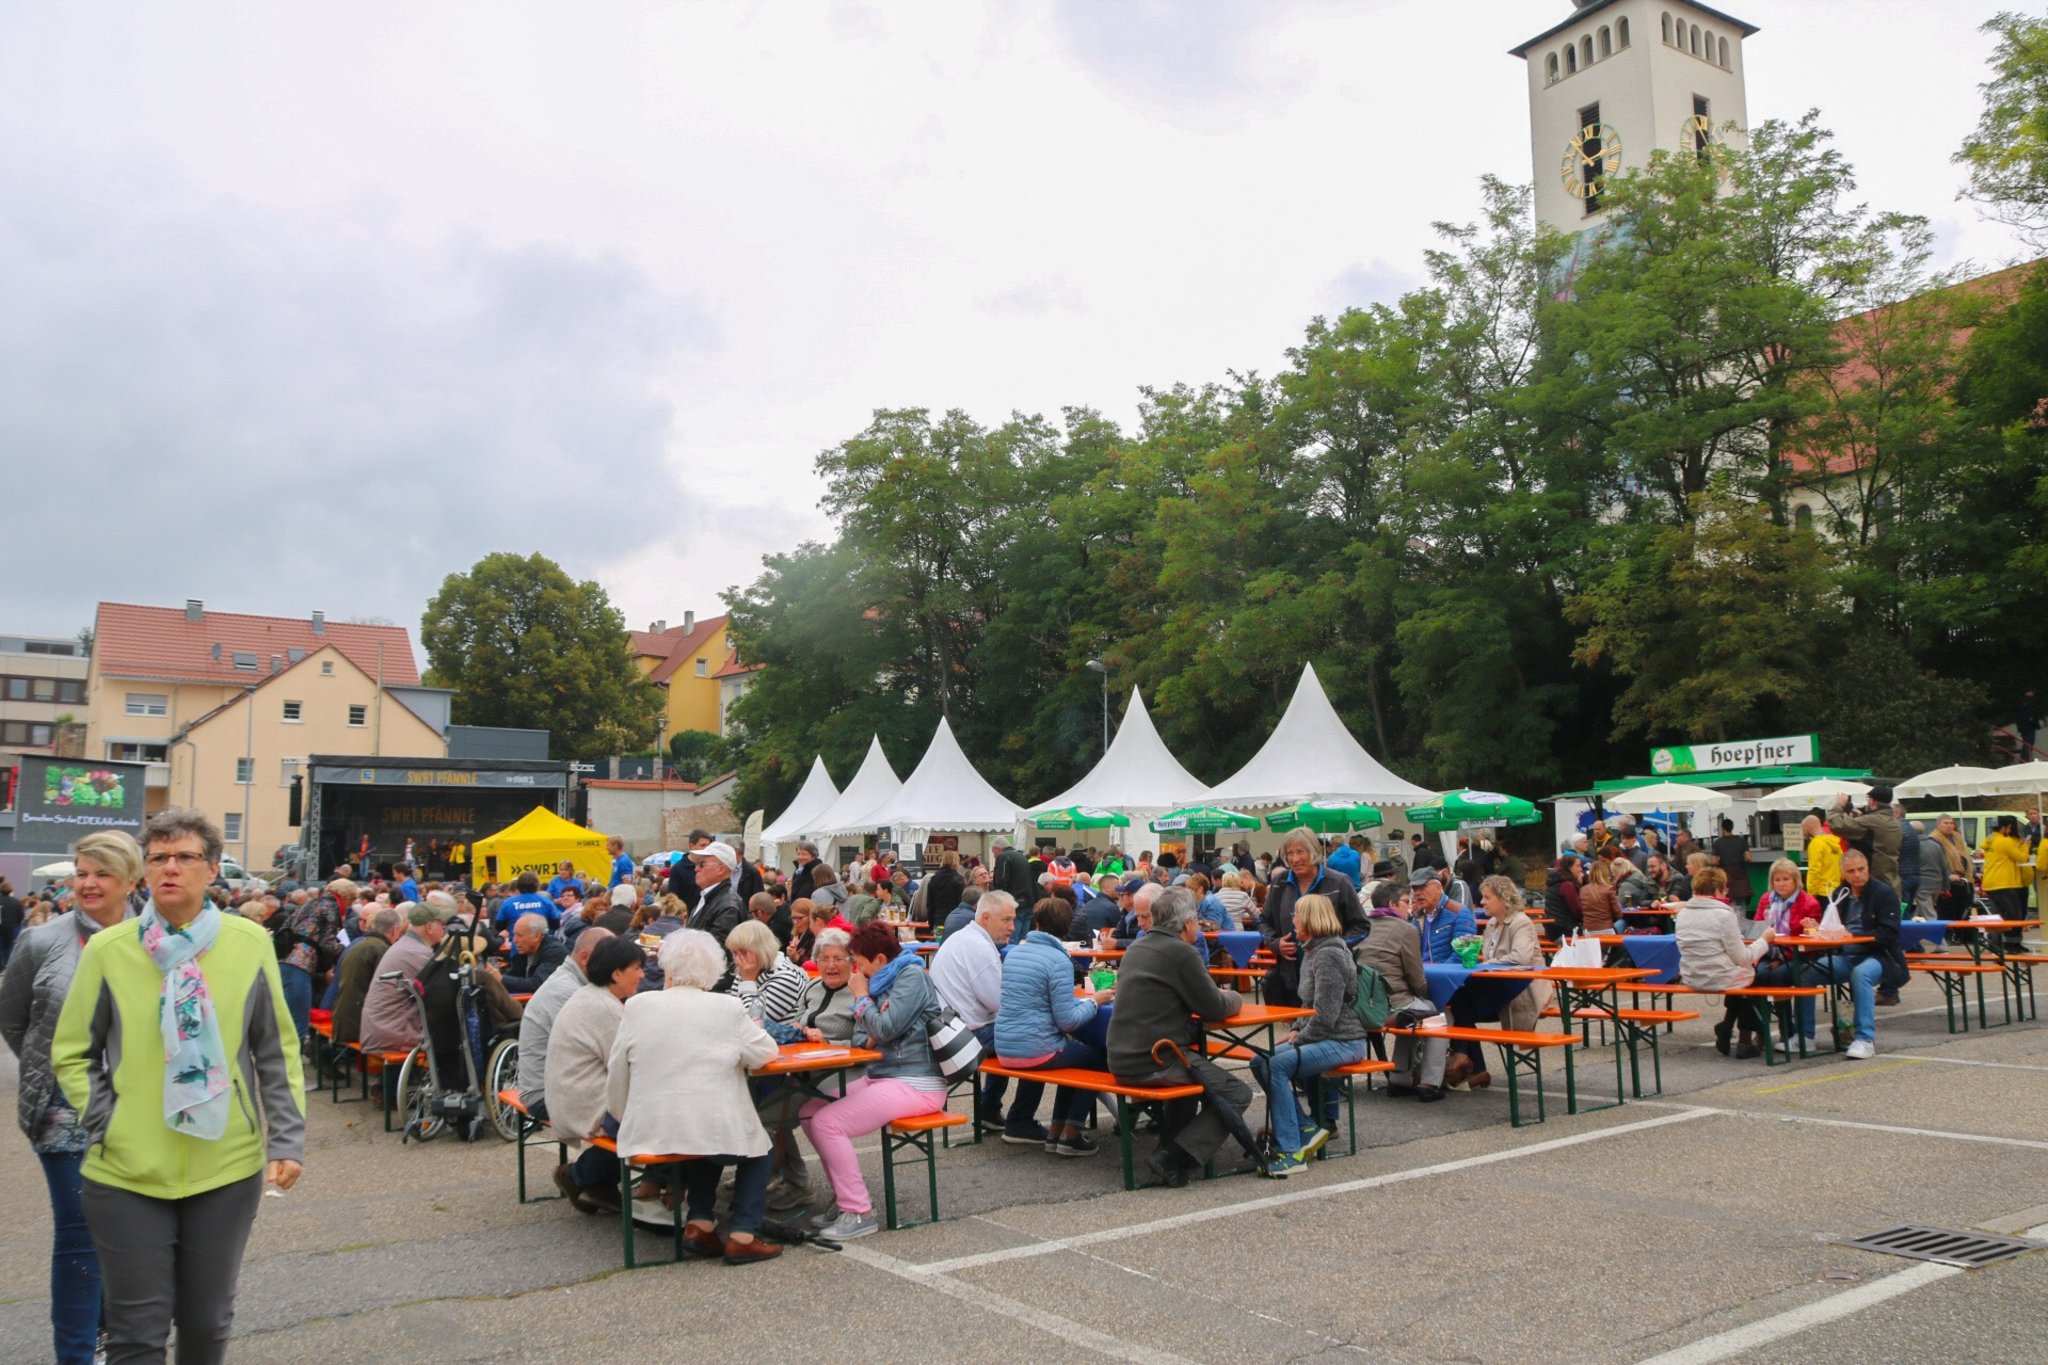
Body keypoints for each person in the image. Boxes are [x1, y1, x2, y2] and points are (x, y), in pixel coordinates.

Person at [51, 808, 304, 1365]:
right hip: (126, 1170)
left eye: (185, 857)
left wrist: (286, 1138)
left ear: (211, 869)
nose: (171, 868)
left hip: (225, 1164)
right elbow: (72, 1051)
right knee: (135, 1332)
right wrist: (105, 1120)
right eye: (159, 858)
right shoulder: (110, 950)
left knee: (207, 1325)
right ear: (144, 872)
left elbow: (274, 1047)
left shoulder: (248, 941)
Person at [0, 831, 143, 1364]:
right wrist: (55, 1067)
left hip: (138, 1108)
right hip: (61, 1109)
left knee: (128, 1229)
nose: (87, 883)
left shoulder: (157, 938)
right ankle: (77, 1354)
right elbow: (13, 1018)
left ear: (131, 880)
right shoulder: (44, 941)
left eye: (101, 873)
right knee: (81, 1232)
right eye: (82, 872)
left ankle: (112, 1331)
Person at [604, 929, 783, 1262]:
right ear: (714, 972)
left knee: (702, 1135)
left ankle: (700, 1222)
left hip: (649, 1126)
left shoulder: (638, 1005)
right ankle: (744, 1233)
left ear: (668, 969)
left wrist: (622, 1113)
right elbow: (764, 1053)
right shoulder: (726, 1007)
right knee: (758, 1148)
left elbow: (617, 1072)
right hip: (707, 1125)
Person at [799, 922, 950, 1241]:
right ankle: (845, 1199)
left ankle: (859, 1212)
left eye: (859, 963)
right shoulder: (881, 981)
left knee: (828, 1122)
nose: (856, 970)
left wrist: (862, 1000)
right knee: (810, 1110)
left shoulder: (912, 977)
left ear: (880, 960)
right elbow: (862, 1034)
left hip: (917, 1083)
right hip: (885, 1076)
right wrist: (872, 1018)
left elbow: (882, 1028)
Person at [1107, 887, 1251, 1189]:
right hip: (1157, 1059)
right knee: (1238, 1093)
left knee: (1190, 1081)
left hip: (1121, 1057)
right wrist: (1234, 996)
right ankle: (1172, 1156)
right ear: (1187, 924)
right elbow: (1214, 1008)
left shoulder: (1137, 948)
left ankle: (1169, 1153)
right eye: (1196, 920)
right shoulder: (1181, 952)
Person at [1250, 893, 1369, 1176]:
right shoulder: (1313, 950)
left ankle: (1293, 1152)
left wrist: (1299, 1038)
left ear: (1310, 919)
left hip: (1345, 1040)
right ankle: (1304, 1127)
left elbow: (1325, 1016)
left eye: (1296, 914)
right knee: (1259, 1061)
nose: (1292, 919)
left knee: (1275, 1064)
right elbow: (1307, 1006)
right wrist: (1294, 1029)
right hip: (1326, 1036)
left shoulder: (1329, 954)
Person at [994, 897, 1111, 1156]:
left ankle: (1057, 1131)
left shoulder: (1014, 953)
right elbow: (1067, 1020)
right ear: (1067, 927)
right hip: (1036, 1050)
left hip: (1005, 1045)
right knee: (1100, 1057)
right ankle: (1070, 1134)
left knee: (1076, 1056)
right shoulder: (1057, 960)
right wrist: (1094, 1002)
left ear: (1036, 922)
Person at [544, 935, 645, 1214]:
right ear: (616, 973)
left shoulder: (589, 996)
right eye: (636, 968)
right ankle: (581, 1176)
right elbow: (632, 1065)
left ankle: (593, 1179)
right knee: (663, 1118)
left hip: (571, 1097)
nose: (642, 974)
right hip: (586, 1105)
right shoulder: (606, 1008)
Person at [1445, 878, 1551, 1089]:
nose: (1481, 902)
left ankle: (1468, 1061)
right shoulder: (1492, 923)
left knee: (1461, 1004)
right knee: (1457, 1000)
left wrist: (1488, 964)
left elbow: (1520, 956)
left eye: (1487, 897)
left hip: (1522, 990)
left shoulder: (1521, 922)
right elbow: (1485, 956)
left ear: (1503, 898)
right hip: (1497, 986)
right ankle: (1470, 1063)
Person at [928, 891, 1015, 1133]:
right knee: (1034, 1040)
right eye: (1006, 920)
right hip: (963, 1037)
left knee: (1014, 1034)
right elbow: (1000, 1002)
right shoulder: (979, 948)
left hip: (951, 1029)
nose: (1012, 927)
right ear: (986, 918)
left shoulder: (964, 937)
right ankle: (1021, 1121)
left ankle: (990, 1108)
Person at [1354, 881, 1446, 1102]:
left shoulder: (1361, 926)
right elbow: (1417, 979)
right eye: (1406, 902)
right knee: (1438, 1016)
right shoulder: (1406, 929)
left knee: (1415, 1015)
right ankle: (1429, 1083)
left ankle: (1399, 1078)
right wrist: (1429, 995)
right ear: (1392, 904)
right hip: (1391, 1005)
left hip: (1361, 1007)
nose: (1410, 906)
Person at [1258, 831, 1366, 1007]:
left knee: (1325, 1024)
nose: (1295, 859)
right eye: (1290, 853)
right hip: (1290, 976)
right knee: (1297, 1028)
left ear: (1314, 852)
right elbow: (1263, 921)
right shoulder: (1279, 883)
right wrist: (1275, 943)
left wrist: (1333, 948)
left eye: (1300, 852)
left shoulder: (1338, 882)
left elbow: (1361, 926)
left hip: (1331, 977)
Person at [1675, 867, 1774, 1058]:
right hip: (1717, 978)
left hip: (1692, 976)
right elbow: (1743, 957)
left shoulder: (1682, 914)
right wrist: (1765, 940)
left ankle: (1727, 1026)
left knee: (1739, 975)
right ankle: (1745, 1041)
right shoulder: (1724, 915)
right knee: (1754, 976)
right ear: (1718, 891)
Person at [1814, 849, 1899, 1059]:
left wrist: (1853, 935)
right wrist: (1818, 928)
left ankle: (1864, 1039)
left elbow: (1889, 933)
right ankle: (1804, 1036)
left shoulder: (1884, 893)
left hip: (1879, 956)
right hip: (1845, 956)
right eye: (1851, 871)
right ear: (1843, 873)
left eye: (1861, 869)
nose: (1857, 875)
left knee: (1861, 974)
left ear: (1868, 869)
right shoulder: (1839, 895)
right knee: (1807, 971)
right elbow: (1831, 927)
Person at [516, 926, 611, 1115]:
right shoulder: (567, 991)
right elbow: (604, 1049)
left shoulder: (570, 980)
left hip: (551, 1085)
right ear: (585, 958)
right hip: (544, 1094)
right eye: (610, 962)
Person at [359, 895, 453, 1052]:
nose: (444, 928)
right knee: (453, 1037)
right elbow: (443, 995)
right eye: (441, 924)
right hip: (392, 1034)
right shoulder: (418, 953)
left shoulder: (405, 945)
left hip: (380, 1029)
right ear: (429, 927)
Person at [1749, 859, 1822, 1045]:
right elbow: (1757, 930)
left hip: (1799, 957)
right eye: (1777, 880)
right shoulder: (1766, 899)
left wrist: (1810, 928)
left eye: (1786, 879)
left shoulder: (1809, 903)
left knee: (1775, 975)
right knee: (1753, 976)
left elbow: (1812, 939)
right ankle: (1760, 1029)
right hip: (1768, 954)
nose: (1781, 883)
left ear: (1796, 880)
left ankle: (1786, 1029)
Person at [330, 908, 403, 1048]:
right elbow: (386, 990)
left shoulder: (359, 944)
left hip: (343, 1017)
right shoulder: (381, 949)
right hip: (358, 1023)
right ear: (394, 930)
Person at [726, 919, 808, 1025]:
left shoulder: (786, 978)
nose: (738, 959)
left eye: (743, 952)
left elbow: (753, 1024)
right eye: (734, 953)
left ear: (761, 949)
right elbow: (732, 1012)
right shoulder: (748, 969)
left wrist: (748, 982)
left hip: (778, 1040)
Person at [1831, 789, 1903, 897]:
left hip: (1871, 884)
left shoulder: (1872, 821)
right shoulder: (1895, 823)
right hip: (1891, 881)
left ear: (1872, 801)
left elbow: (1837, 825)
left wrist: (1838, 805)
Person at [684, 842, 746, 950]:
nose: (696, 869)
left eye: (702, 864)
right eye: (697, 864)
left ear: (721, 869)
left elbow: (716, 952)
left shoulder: (728, 906)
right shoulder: (709, 896)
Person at [1413, 866, 1477, 961]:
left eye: (1423, 887)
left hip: (1446, 974)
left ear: (1438, 888)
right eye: (1414, 889)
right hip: (1419, 973)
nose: (1417, 893)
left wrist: (1437, 973)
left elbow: (1462, 954)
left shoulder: (1459, 912)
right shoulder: (1416, 917)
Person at [499, 913, 568, 995]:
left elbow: (538, 984)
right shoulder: (525, 951)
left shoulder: (555, 951)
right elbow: (514, 975)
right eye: (514, 935)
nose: (514, 940)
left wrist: (501, 979)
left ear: (536, 937)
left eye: (519, 935)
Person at [991, 837, 1037, 943]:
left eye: (993, 852)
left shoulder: (1004, 857)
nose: (994, 855)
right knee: (1023, 941)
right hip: (1029, 902)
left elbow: (1001, 881)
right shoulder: (1021, 856)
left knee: (1011, 939)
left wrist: (1000, 901)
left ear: (997, 849)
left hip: (1015, 904)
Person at [1931, 815, 1974, 919]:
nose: (1949, 825)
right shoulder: (1934, 838)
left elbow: (1966, 855)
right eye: (1946, 823)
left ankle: (1963, 933)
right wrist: (1949, 875)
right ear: (1938, 825)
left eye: (1951, 823)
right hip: (1949, 883)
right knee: (1948, 912)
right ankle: (1949, 934)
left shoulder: (1957, 836)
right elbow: (1936, 862)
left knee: (1965, 912)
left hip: (1965, 881)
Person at [494, 872, 560, 932]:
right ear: (537, 885)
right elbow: (556, 925)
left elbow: (498, 926)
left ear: (518, 886)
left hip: (517, 942)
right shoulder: (546, 901)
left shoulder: (508, 903)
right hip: (541, 942)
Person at [1801, 814, 1844, 899]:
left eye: (1803, 828)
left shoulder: (1815, 844)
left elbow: (1814, 869)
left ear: (1808, 826)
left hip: (1822, 892)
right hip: (1837, 890)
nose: (1803, 831)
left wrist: (1811, 893)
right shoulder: (1834, 841)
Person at [1909, 821, 1946, 921]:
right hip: (1937, 884)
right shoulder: (1936, 845)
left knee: (1929, 914)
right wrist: (1946, 886)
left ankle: (1935, 934)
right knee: (1921, 911)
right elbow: (1944, 866)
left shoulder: (1914, 846)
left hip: (1923, 884)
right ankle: (1914, 933)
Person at [1544, 856, 1584, 937]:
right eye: (1578, 866)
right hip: (1564, 928)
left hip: (1552, 928)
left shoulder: (1555, 881)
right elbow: (1577, 910)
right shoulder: (1567, 885)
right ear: (1569, 867)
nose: (1581, 869)